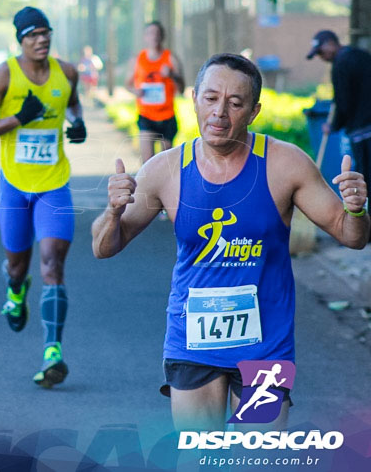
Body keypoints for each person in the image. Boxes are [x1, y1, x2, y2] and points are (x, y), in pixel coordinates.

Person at [93, 53, 369, 431]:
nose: (219, 112)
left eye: (234, 103)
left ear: (253, 111)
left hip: (265, 344)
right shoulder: (166, 169)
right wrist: (112, 211)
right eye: (210, 98)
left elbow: (351, 236)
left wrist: (356, 209)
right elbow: (104, 246)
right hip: (192, 340)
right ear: (193, 98)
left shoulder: (285, 164)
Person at [0, 6, 88, 388]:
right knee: (19, 266)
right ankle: (15, 288)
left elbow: (72, 101)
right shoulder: (4, 74)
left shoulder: (67, 72)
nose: (41, 40)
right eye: (32, 35)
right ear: (20, 40)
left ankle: (53, 350)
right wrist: (18, 118)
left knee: (52, 263)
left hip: (54, 184)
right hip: (15, 187)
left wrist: (78, 123)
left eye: (45, 33)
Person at [307, 29, 371, 176]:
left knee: (365, 175)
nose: (321, 57)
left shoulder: (341, 63)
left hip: (362, 130)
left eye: (321, 52)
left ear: (331, 44)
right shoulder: (361, 55)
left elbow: (343, 99)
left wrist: (334, 125)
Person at [126, 21, 185, 164]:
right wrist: (136, 91)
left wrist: (172, 75)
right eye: (150, 33)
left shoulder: (171, 58)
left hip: (167, 116)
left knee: (166, 165)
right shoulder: (137, 59)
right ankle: (148, 187)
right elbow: (127, 85)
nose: (154, 37)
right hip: (146, 116)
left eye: (157, 33)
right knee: (147, 164)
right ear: (145, 37)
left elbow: (182, 89)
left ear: (162, 36)